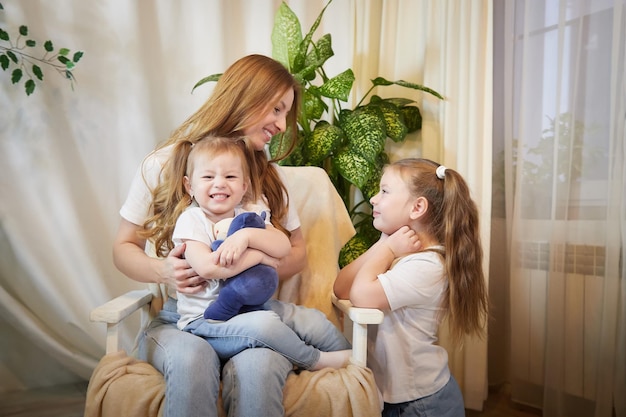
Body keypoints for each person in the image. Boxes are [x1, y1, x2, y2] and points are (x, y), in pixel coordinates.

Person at [113, 54, 350, 417]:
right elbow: (123, 247)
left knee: (259, 368)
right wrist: (165, 271)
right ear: (245, 97)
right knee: (192, 361)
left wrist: (248, 260)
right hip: (183, 317)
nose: (282, 124)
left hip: (250, 311)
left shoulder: (269, 177)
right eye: (276, 109)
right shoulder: (162, 164)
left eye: (286, 114)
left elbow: (297, 252)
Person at [171, 135, 350, 370]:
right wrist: (261, 256)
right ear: (189, 186)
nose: (220, 183)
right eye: (208, 177)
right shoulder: (191, 220)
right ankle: (314, 360)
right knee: (266, 325)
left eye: (230, 176)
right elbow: (208, 268)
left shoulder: (249, 212)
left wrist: (245, 236)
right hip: (206, 321)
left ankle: (354, 359)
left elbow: (283, 246)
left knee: (311, 319)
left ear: (244, 186)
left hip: (250, 307)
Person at [333, 158, 489, 417]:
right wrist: (382, 246)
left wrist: (387, 248)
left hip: (423, 404)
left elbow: (360, 296)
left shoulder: (427, 266)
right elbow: (342, 287)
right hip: (399, 399)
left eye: (384, 191)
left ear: (418, 207)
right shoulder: (397, 254)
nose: (373, 199)